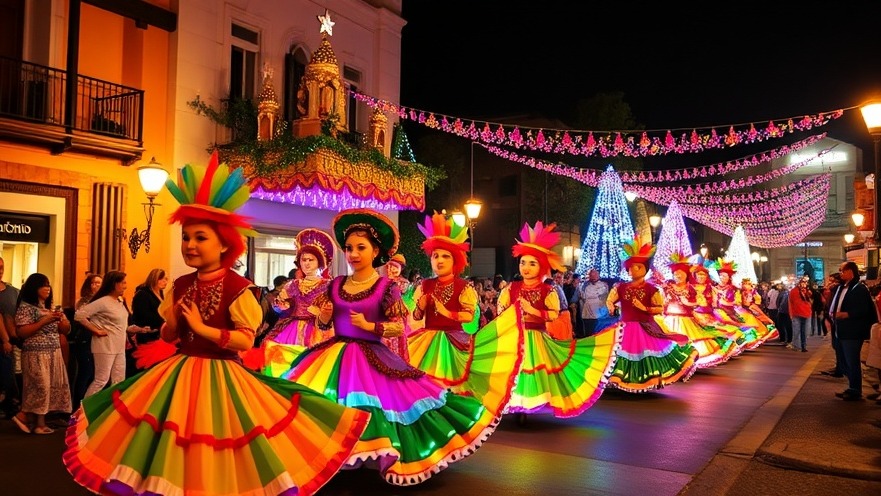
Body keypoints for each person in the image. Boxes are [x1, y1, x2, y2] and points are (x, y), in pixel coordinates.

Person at [64, 151, 369, 496]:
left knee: (220, 440)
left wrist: (203, 326)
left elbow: (244, 340)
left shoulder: (240, 289)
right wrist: (177, 321)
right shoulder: (179, 285)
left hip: (221, 373)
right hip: (179, 370)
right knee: (170, 441)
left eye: (200, 238)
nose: (190, 245)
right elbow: (168, 334)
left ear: (224, 243)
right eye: (186, 237)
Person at [283, 208, 500, 485]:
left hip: (372, 354)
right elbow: (325, 325)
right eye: (349, 248)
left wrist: (369, 326)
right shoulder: (335, 284)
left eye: (361, 247)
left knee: (376, 407)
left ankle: (367, 452)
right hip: (336, 353)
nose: (353, 254)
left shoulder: (387, 287)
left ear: (376, 252)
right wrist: (324, 316)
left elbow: (400, 325)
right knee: (326, 403)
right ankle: (340, 454)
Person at [496, 221, 620, 419]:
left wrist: (532, 311)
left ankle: (526, 405)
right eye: (523, 262)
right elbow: (501, 310)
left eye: (532, 263)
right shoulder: (511, 288)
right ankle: (512, 403)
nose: (526, 267)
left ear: (542, 266)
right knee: (510, 370)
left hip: (536, 337)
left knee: (532, 370)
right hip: (513, 337)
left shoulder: (548, 290)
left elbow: (553, 314)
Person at [406, 212, 521, 413]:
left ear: (455, 260)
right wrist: (420, 307)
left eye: (445, 256)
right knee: (424, 382)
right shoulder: (424, 285)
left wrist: (446, 312)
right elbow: (415, 318)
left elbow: (468, 316)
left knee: (453, 384)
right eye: (435, 256)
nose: (439, 261)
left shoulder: (463, 287)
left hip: (454, 340)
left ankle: (452, 415)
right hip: (427, 340)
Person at [601, 235, 698, 393]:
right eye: (630, 267)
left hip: (645, 327)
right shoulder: (620, 287)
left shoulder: (652, 289)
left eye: (637, 267)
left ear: (645, 269)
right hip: (624, 326)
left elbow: (659, 308)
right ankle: (621, 380)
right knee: (619, 352)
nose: (633, 270)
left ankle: (644, 381)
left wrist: (644, 308)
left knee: (644, 354)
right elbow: (611, 299)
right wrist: (610, 305)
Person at [254, 228, 337, 376]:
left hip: (318, 329)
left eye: (311, 260)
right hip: (291, 328)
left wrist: (322, 313)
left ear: (320, 262)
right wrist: (280, 307)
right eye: (303, 260)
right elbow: (281, 311)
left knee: (315, 366)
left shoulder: (329, 286)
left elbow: (334, 313)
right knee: (280, 359)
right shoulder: (291, 285)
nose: (306, 263)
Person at [11, 273, 71, 435]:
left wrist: (62, 320)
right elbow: (22, 332)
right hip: (35, 353)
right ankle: (23, 415)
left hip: (53, 352)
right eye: (43, 285)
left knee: (49, 387)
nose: (47, 288)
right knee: (40, 386)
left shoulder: (49, 308)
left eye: (48, 285)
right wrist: (44, 321)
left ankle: (39, 423)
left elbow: (65, 330)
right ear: (34, 288)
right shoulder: (26, 307)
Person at [656, 252, 737, 369]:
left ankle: (688, 363)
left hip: (686, 319)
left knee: (690, 341)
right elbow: (661, 302)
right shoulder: (667, 286)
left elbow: (698, 303)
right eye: (675, 274)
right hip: (669, 319)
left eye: (680, 273)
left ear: (687, 275)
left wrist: (688, 303)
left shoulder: (691, 288)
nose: (677, 276)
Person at [74, 271, 138, 398]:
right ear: (114, 284)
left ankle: (112, 410)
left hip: (119, 346)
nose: (125, 286)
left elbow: (120, 324)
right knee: (101, 380)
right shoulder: (102, 301)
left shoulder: (119, 301)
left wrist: (136, 330)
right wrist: (95, 330)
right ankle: (83, 411)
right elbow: (79, 315)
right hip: (105, 346)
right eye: (123, 283)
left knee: (119, 380)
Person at [829, 261, 877, 401]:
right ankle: (852, 386)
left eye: (843, 270)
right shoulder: (843, 287)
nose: (840, 273)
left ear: (851, 272)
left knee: (852, 361)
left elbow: (864, 310)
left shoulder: (859, 289)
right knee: (843, 360)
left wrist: (846, 314)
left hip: (852, 331)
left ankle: (855, 389)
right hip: (840, 329)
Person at [68, 273, 101, 412]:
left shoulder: (104, 300)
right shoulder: (83, 301)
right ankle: (77, 406)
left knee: (95, 374)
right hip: (85, 339)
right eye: (95, 283)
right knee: (85, 372)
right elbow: (82, 318)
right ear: (89, 285)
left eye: (100, 283)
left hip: (98, 341)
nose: (98, 285)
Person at [128, 269, 171, 373]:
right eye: (164, 279)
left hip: (158, 332)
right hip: (147, 332)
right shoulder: (143, 294)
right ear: (156, 279)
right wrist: (164, 320)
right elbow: (143, 314)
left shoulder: (160, 293)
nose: (166, 282)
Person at [0, 256, 21, 420]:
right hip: (5, 340)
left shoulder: (13, 292)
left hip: (11, 342)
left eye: (1, 267)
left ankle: (9, 405)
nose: (0, 271)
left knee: (9, 374)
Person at [384, 253, 414, 358]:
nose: (392, 269)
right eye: (390, 266)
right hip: (385, 316)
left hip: (396, 316)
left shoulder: (401, 283)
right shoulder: (382, 281)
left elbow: (403, 292)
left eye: (396, 266)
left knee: (397, 341)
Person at [578, 268, 610, 338]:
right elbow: (583, 295)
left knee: (598, 335)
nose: (593, 277)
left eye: (594, 275)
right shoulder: (585, 286)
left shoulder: (603, 285)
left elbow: (598, 293)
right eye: (591, 276)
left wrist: (593, 294)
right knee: (588, 334)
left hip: (599, 314)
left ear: (598, 276)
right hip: (587, 314)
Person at [788, 278, 813, 352]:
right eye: (803, 282)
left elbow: (810, 300)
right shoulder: (793, 291)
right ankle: (797, 345)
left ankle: (803, 346)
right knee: (797, 331)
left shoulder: (807, 291)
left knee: (805, 331)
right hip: (797, 313)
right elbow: (791, 303)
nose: (804, 284)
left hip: (806, 313)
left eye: (805, 282)